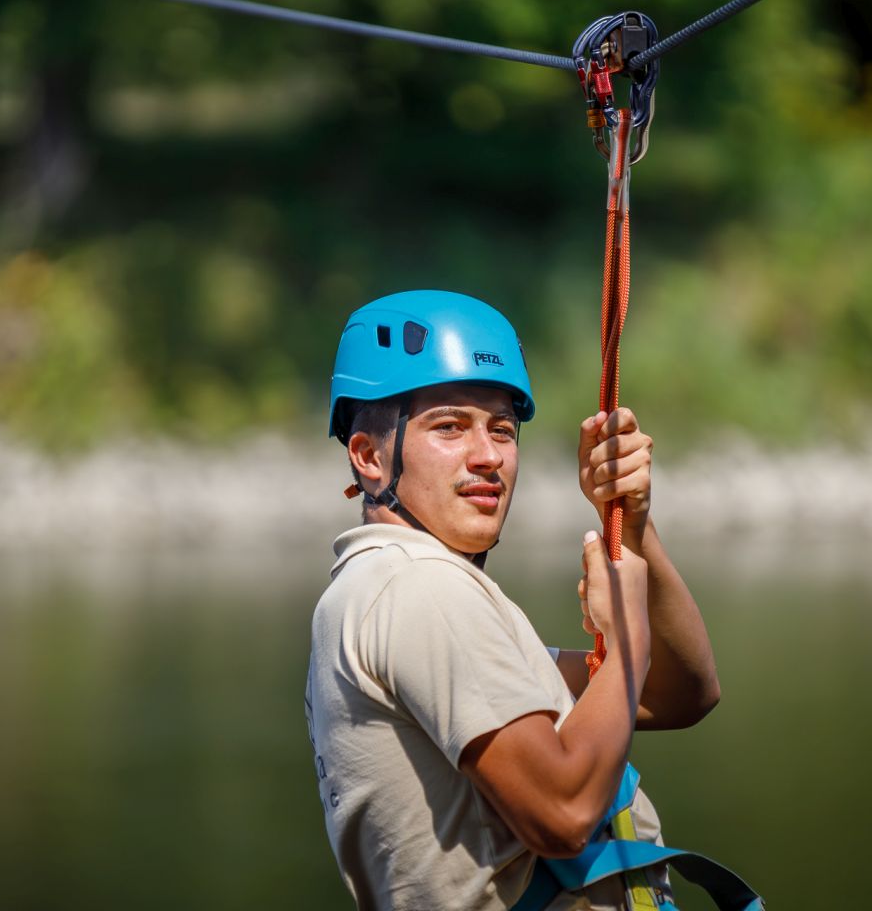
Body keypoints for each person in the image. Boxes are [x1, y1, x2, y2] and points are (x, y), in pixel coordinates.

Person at [305, 290, 753, 911]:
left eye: (502, 430)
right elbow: (562, 815)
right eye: (449, 427)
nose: (488, 455)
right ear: (369, 457)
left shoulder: (389, 592)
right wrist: (625, 636)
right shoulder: (415, 588)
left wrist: (634, 524)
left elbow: (682, 693)